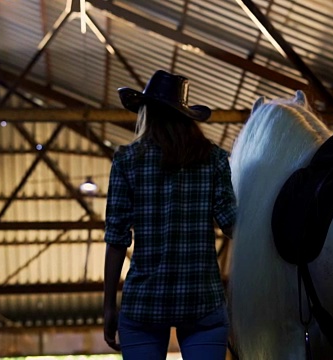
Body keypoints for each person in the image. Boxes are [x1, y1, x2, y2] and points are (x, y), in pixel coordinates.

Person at [103, 70, 236, 360]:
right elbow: (232, 224)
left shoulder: (127, 161)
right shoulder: (213, 159)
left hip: (144, 304)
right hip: (202, 301)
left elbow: (116, 239)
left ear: (147, 113)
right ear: (186, 115)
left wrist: (109, 306)